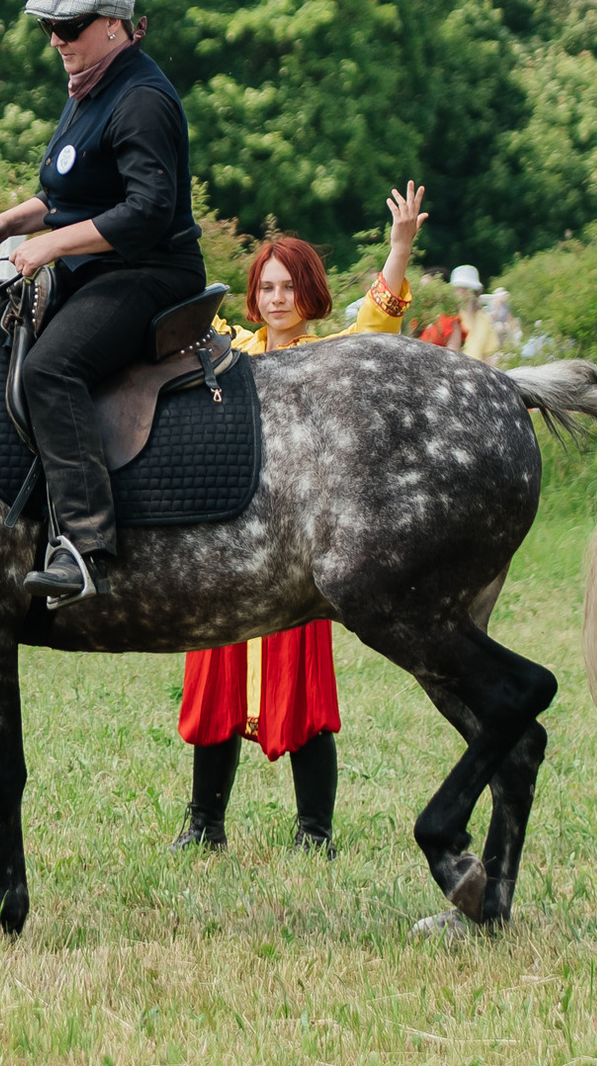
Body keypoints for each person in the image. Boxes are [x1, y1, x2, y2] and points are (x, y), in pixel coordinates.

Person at [174, 184, 427, 854]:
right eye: (266, 286)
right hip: (228, 544)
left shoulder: (329, 359)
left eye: (288, 286)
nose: (276, 297)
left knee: (305, 693)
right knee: (216, 684)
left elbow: (376, 323)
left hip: (295, 552)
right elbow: (186, 309)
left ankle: (315, 832)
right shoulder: (229, 349)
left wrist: (399, 247)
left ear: (309, 293)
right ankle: (205, 826)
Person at [0, 0, 206, 607]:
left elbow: (146, 210)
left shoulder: (142, 99)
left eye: (67, 26)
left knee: (50, 371)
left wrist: (49, 245)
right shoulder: (88, 91)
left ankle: (82, 545)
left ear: (113, 26)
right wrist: (9, 222)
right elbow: (64, 196)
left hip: (150, 272)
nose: (55, 40)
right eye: (48, 27)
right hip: (98, 268)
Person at [419, 264, 480, 351]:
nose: (422, 292)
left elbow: (453, 356)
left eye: (427, 288)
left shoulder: (450, 321)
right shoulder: (420, 318)